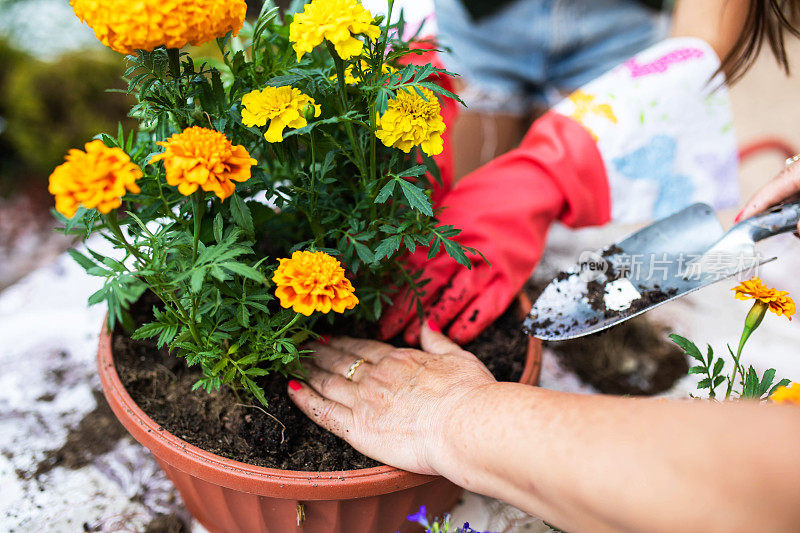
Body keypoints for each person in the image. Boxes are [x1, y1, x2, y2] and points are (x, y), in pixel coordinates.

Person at [377, 0, 800, 346]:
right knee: (467, 220)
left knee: (575, 232)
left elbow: (702, 41)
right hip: (481, 22)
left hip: (622, 26)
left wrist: (553, 171)